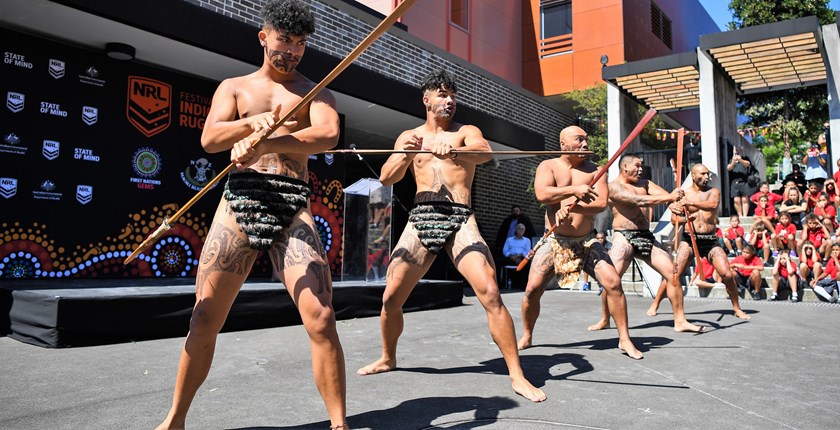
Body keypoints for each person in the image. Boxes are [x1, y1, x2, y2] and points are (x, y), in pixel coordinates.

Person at [154, 3, 348, 430]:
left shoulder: (315, 92)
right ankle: (175, 419)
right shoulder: (235, 87)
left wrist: (271, 140)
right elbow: (210, 137)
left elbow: (327, 135)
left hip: (292, 202)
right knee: (204, 316)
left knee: (321, 315)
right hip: (240, 201)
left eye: (300, 43)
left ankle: (339, 424)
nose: (293, 51)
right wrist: (251, 126)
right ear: (264, 37)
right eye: (285, 40)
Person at [356, 69, 546, 403]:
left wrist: (454, 152)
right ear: (426, 99)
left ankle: (517, 374)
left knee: (489, 289)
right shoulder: (409, 136)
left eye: (452, 95)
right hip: (421, 216)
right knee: (390, 298)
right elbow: (386, 177)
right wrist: (407, 152)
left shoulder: (466, 132)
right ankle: (388, 357)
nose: (449, 100)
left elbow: (485, 153)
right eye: (442, 94)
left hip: (460, 217)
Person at [517, 126, 643, 359]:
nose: (585, 144)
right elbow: (543, 195)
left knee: (613, 283)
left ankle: (624, 339)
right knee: (532, 289)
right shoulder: (549, 166)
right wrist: (574, 192)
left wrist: (574, 204)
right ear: (563, 144)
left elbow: (601, 203)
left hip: (586, 241)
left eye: (586, 140)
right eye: (579, 140)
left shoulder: (596, 171)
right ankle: (527, 334)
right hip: (555, 239)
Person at [586, 154, 703, 334]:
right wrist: (669, 199)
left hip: (646, 237)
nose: (641, 170)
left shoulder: (645, 184)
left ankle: (680, 321)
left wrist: (675, 203)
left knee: (672, 273)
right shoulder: (613, 187)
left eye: (642, 166)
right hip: (624, 237)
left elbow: (665, 196)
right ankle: (605, 319)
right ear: (625, 167)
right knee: (610, 280)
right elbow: (638, 201)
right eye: (637, 166)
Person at [650, 164, 751, 319]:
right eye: (702, 174)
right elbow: (673, 219)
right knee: (673, 274)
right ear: (693, 175)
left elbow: (712, 205)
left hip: (710, 240)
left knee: (727, 274)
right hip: (689, 241)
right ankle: (655, 303)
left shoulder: (713, 192)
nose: (706, 177)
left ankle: (736, 307)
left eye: (707, 174)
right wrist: (685, 218)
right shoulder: (683, 195)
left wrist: (689, 204)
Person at [502, 223, 531, 289]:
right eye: (519, 228)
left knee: (527, 263)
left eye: (522, 229)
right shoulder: (509, 239)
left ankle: (523, 286)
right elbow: (505, 250)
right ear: (516, 230)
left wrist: (518, 255)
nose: (521, 230)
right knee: (497, 262)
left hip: (521, 258)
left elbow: (527, 252)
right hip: (510, 258)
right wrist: (511, 256)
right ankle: (499, 284)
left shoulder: (527, 240)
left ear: (524, 231)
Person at [728, 151, 753, 217]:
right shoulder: (731, 160)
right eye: (736, 152)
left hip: (744, 182)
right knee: (736, 200)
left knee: (745, 199)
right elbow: (729, 168)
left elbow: (747, 164)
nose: (737, 153)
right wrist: (733, 162)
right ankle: (740, 215)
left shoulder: (745, 158)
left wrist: (740, 160)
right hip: (735, 182)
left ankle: (745, 215)